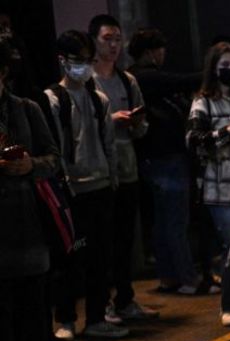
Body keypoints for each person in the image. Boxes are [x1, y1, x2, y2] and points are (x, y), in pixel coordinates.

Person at [0, 39, 71, 341]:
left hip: (29, 220)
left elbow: (54, 157)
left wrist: (31, 166)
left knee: (34, 302)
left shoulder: (26, 109)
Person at [44, 30, 126, 341]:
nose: (84, 67)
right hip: (72, 191)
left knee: (100, 259)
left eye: (87, 60)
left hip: (100, 186)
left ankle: (95, 317)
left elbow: (109, 143)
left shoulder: (98, 98)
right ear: (62, 61)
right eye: (78, 60)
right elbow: (56, 145)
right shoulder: (53, 98)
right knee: (69, 261)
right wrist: (62, 186)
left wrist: (112, 178)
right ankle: (65, 320)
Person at [89, 15, 158, 325]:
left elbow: (142, 130)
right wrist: (109, 121)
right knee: (100, 241)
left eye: (117, 39)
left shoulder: (127, 81)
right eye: (107, 38)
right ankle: (101, 304)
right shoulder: (86, 81)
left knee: (125, 238)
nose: (114, 45)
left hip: (127, 167)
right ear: (94, 40)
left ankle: (126, 299)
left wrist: (136, 123)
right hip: (97, 173)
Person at [129, 28, 207, 294]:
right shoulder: (144, 77)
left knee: (164, 222)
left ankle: (169, 277)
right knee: (175, 221)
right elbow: (181, 81)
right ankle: (188, 278)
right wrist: (213, 71)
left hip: (159, 158)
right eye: (160, 49)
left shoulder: (140, 78)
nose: (164, 55)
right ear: (151, 51)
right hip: (164, 157)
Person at [187, 41, 230, 328]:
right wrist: (228, 131)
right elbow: (193, 140)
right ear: (213, 68)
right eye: (223, 65)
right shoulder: (203, 101)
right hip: (219, 187)